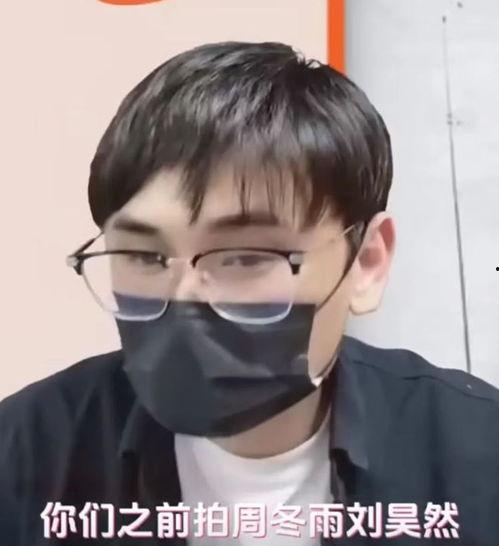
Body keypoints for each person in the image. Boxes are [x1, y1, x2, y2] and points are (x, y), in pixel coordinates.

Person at [0, 41, 498, 546]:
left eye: (243, 258)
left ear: (367, 262)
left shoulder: (477, 456)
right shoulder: (24, 453)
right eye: (146, 257)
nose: (186, 300)